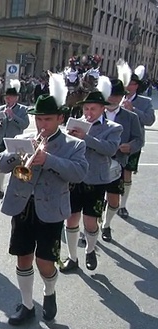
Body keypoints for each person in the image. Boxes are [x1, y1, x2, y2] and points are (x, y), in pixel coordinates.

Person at [0, 90, 88, 325]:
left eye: (47, 119)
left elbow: (79, 173)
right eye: (39, 119)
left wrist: (49, 160)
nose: (42, 124)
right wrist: (18, 154)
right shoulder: (25, 137)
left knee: (45, 263)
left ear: (60, 118)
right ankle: (27, 304)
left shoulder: (74, 144)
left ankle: (49, 291)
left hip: (51, 209)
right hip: (22, 206)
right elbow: (1, 164)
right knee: (23, 257)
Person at [61, 80, 123, 273]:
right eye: (86, 108)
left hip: (96, 180)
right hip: (74, 179)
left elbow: (111, 149)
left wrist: (85, 138)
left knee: (90, 221)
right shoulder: (77, 124)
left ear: (102, 109)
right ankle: (72, 257)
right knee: (71, 218)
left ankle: (89, 249)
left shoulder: (113, 127)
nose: (88, 113)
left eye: (93, 109)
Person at [101, 79, 143, 242]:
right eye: (111, 95)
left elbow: (139, 140)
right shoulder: (96, 112)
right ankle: (93, 228)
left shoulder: (130, 117)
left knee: (113, 201)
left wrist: (130, 147)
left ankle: (106, 224)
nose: (113, 99)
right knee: (92, 202)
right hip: (95, 164)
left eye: (117, 95)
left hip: (117, 164)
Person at [119, 69, 155, 218]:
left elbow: (150, 120)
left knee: (127, 173)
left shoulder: (145, 101)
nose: (127, 86)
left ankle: (123, 205)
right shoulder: (116, 98)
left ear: (136, 86)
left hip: (133, 142)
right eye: (125, 83)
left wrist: (133, 109)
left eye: (131, 84)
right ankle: (111, 199)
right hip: (116, 141)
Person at [0, 79, 29, 199]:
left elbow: (24, 124)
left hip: (14, 142)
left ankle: (15, 189)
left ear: (16, 98)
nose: (8, 99)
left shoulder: (22, 110)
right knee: (0, 165)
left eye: (11, 97)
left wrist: (13, 116)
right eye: (7, 97)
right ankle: (0, 189)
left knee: (15, 165)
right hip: (1, 141)